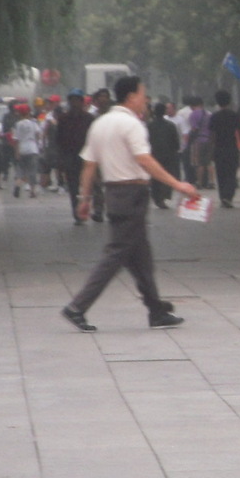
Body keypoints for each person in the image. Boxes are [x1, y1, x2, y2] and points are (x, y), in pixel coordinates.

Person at [62, 75, 197, 332]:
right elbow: (144, 160)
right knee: (115, 254)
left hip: (114, 193)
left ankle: (156, 310)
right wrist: (178, 185)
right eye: (143, 94)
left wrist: (84, 198)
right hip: (131, 194)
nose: (146, 100)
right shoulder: (132, 124)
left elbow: (89, 166)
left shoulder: (100, 124)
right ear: (131, 96)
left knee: (140, 256)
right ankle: (77, 306)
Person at [53, 89, 93, 223]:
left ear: (82, 102)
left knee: (87, 186)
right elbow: (58, 140)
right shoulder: (63, 119)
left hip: (87, 157)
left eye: (77, 100)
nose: (75, 103)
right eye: (72, 101)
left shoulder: (89, 119)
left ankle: (85, 208)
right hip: (69, 156)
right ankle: (77, 213)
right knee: (73, 187)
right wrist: (60, 159)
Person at [209, 90, 240, 208]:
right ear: (229, 101)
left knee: (220, 173)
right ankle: (229, 196)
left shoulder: (214, 116)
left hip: (219, 148)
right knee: (231, 172)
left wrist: (211, 149)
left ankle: (223, 196)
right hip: (232, 147)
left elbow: (212, 135)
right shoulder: (234, 115)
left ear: (217, 102)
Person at [147, 101, 181, 208]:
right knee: (167, 175)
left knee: (155, 176)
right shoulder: (170, 125)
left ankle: (157, 197)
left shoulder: (149, 125)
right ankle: (164, 195)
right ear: (164, 112)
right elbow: (176, 142)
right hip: (168, 155)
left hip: (153, 155)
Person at [10, 103, 43, 197]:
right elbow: (38, 135)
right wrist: (37, 143)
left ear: (20, 113)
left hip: (22, 149)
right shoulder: (33, 123)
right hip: (32, 149)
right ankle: (32, 192)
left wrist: (16, 152)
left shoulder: (18, 124)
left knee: (20, 170)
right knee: (32, 171)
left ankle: (17, 185)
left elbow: (16, 140)